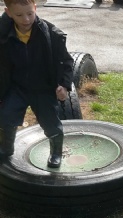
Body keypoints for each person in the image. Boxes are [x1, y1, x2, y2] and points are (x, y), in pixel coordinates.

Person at [0, 0, 73, 168]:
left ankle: (56, 152)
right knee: (5, 116)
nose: (26, 19)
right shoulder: (3, 33)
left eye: (30, 13)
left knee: (51, 122)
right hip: (16, 87)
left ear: (35, 8)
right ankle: (6, 148)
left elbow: (66, 61)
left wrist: (64, 84)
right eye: (19, 15)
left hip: (43, 87)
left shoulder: (51, 34)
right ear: (8, 13)